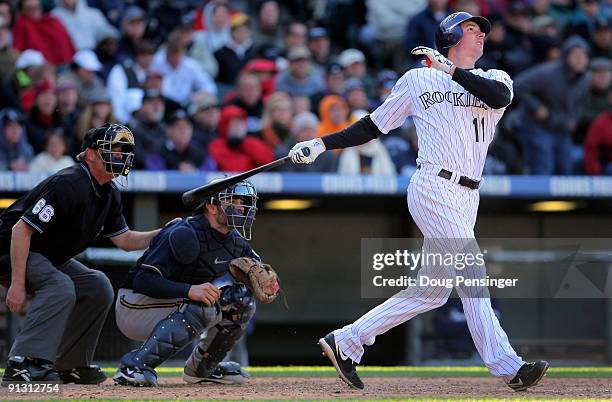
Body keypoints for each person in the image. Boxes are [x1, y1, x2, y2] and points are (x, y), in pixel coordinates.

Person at [289, 12, 549, 392]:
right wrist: (320, 144)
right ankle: (510, 368)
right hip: (433, 185)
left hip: (468, 195)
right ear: (450, 36)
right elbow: (373, 125)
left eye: (481, 32)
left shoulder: (495, 78)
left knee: (431, 292)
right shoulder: (417, 79)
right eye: (472, 30)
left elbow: (500, 98)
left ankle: (346, 341)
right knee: (473, 277)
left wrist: (450, 70)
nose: (480, 37)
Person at [0, 123, 163, 385]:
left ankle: (70, 364)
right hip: (10, 250)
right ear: (90, 154)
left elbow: (125, 240)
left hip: (46, 256)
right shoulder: (69, 182)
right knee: (60, 286)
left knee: (98, 285)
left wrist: (163, 232)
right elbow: (21, 230)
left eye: (124, 151)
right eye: (114, 149)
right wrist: (17, 284)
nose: (120, 156)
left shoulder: (110, 193)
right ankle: (23, 363)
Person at [112, 180, 262, 387]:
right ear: (211, 206)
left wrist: (270, 283)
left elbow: (262, 275)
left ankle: (202, 368)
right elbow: (142, 280)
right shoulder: (184, 233)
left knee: (242, 300)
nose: (240, 206)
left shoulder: (235, 241)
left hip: (174, 305)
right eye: (232, 200)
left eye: (242, 201)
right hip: (134, 305)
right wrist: (190, 290)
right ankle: (134, 367)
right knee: (204, 306)